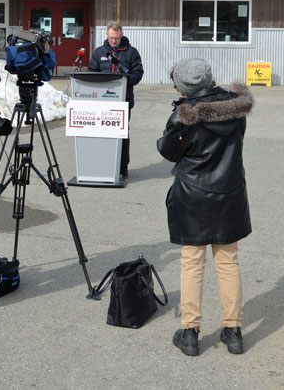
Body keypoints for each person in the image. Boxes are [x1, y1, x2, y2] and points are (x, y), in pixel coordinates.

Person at [157, 58, 253, 357]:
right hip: (229, 191)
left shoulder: (185, 116)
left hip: (193, 194)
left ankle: (190, 332)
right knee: (228, 263)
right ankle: (233, 330)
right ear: (210, 78)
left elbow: (169, 151)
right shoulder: (236, 110)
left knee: (192, 262)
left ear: (184, 86)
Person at [88, 21, 144, 179]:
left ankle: (122, 168)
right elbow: (92, 72)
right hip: (102, 102)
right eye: (111, 38)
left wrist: (124, 80)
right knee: (103, 134)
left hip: (123, 101)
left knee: (122, 134)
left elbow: (138, 74)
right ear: (107, 35)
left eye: (117, 38)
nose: (114, 41)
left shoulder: (131, 52)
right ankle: (103, 164)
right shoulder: (99, 52)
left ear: (122, 35)